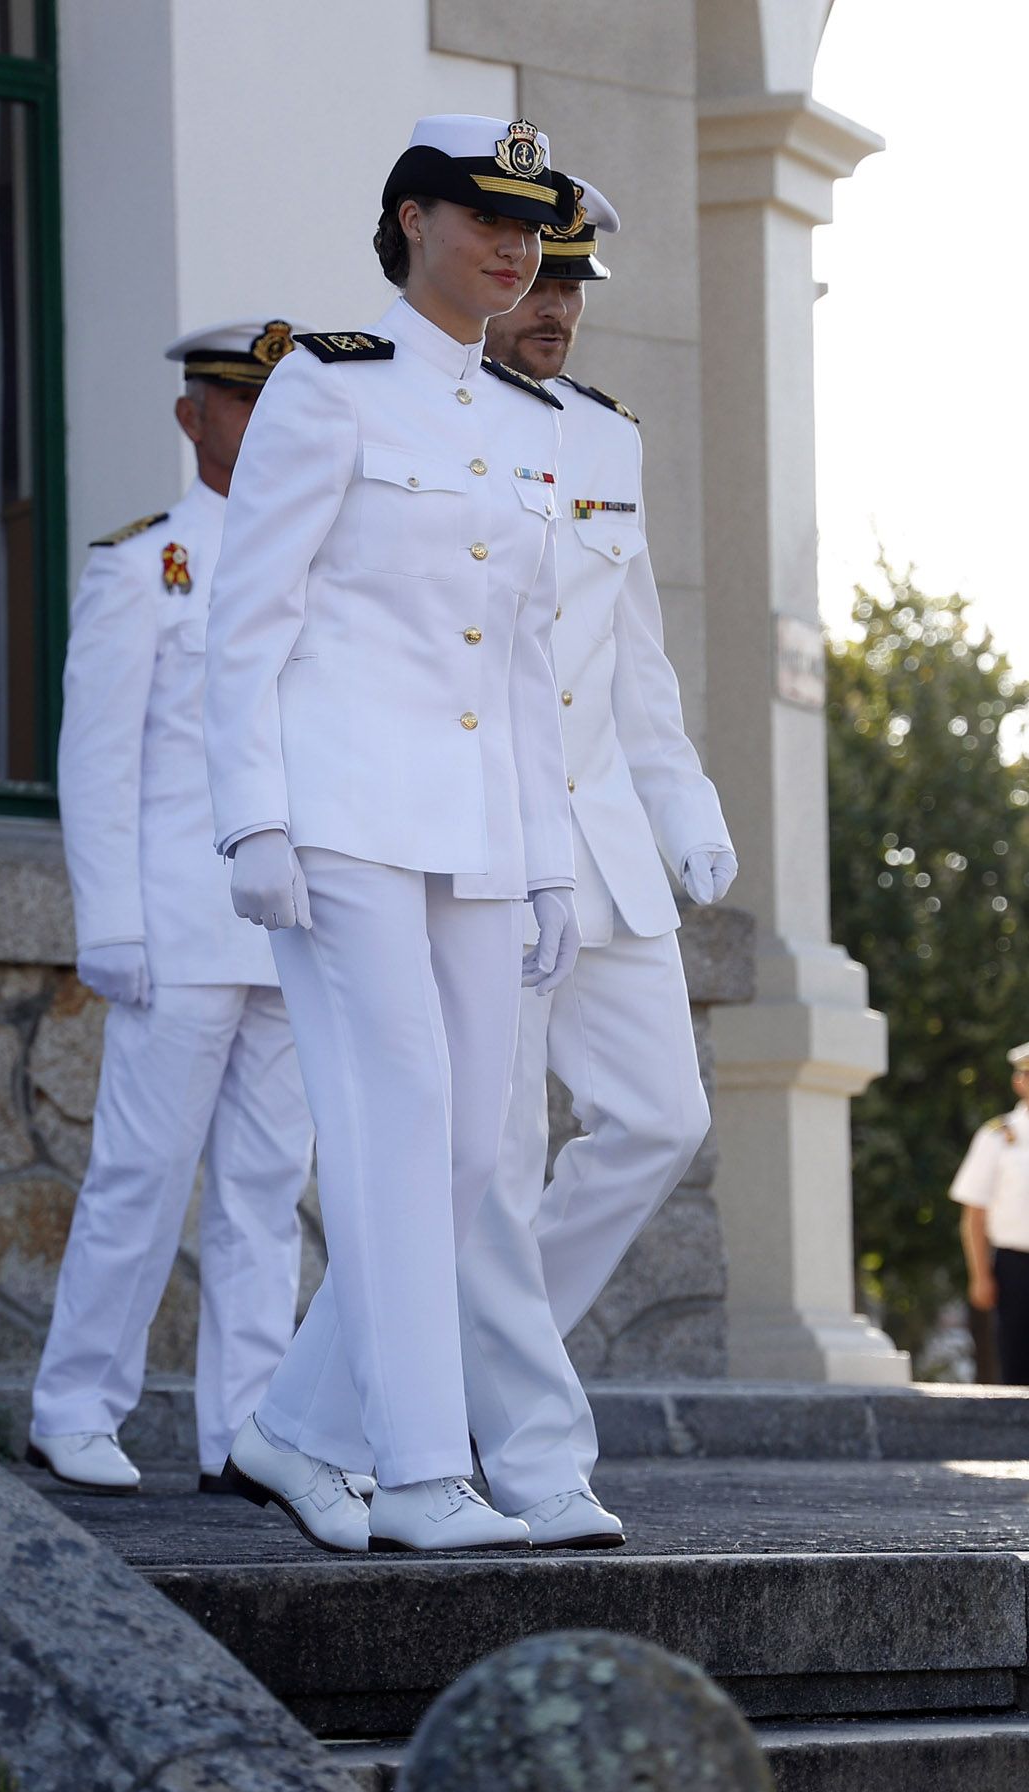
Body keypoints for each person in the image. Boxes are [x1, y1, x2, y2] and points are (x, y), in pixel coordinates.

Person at [204, 116, 624, 1555]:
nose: (514, 247)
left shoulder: (529, 426)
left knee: (457, 1162)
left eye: (532, 225)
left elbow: (516, 657)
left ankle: (292, 1431)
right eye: (481, 217)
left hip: (480, 833)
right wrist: (251, 814)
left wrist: (551, 855)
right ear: (408, 222)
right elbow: (245, 618)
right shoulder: (325, 392)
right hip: (342, 819)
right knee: (391, 1130)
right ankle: (425, 1474)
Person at [29, 321, 316, 1495]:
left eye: (276, 408)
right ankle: (73, 1405)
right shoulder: (144, 565)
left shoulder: (311, 562)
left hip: (288, 925)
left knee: (265, 1191)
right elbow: (96, 760)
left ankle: (244, 1427)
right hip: (177, 930)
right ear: (191, 414)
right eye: (240, 404)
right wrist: (109, 922)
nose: (260, 429)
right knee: (140, 1178)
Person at [472, 178, 736, 1445]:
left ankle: (438, 1375)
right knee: (496, 1154)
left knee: (661, 1119)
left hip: (608, 854)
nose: (557, 306)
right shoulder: (423, 420)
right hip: (484, 844)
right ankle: (512, 1419)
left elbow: (637, 667)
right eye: (535, 278)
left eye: (572, 284)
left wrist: (684, 807)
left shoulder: (606, 439)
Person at [951, 1043, 1029, 1385]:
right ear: (1020, 1082)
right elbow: (974, 1213)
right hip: (1016, 1265)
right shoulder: (998, 1136)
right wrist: (980, 1275)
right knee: (1018, 1365)